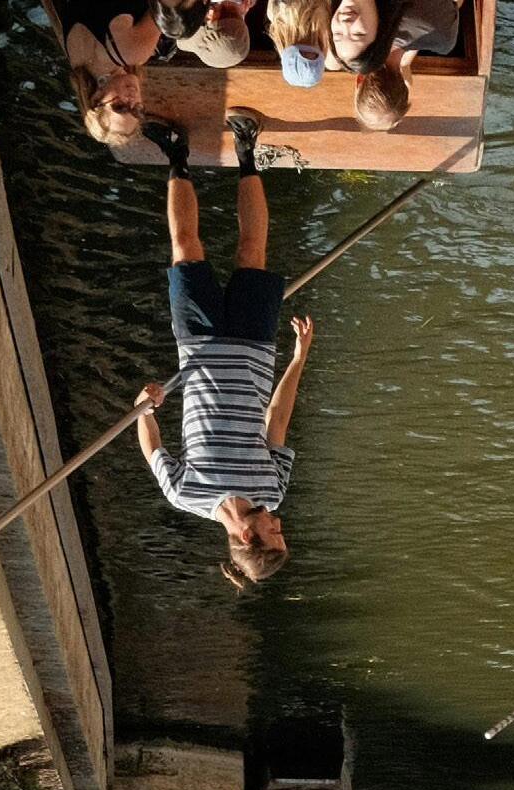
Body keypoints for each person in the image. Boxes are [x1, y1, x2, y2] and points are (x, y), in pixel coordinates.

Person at [134, 112, 306, 590]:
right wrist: (298, 358)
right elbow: (277, 419)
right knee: (252, 250)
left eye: (274, 533)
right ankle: (247, 151)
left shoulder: (185, 495)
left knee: (185, 247)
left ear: (247, 537)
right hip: (254, 347)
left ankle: (176, 154)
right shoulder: (273, 490)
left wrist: (144, 406)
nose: (278, 523)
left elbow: (152, 444)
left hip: (199, 343)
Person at [331, 0, 464, 130]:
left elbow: (456, 4)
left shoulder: (444, 38)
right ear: (359, 80)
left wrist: (406, 62)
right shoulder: (351, 28)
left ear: (404, 85)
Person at [59, 0, 161, 147]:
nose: (132, 100)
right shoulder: (76, 56)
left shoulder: (130, 53)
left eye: (120, 107)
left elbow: (170, 8)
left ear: (96, 98)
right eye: (137, 110)